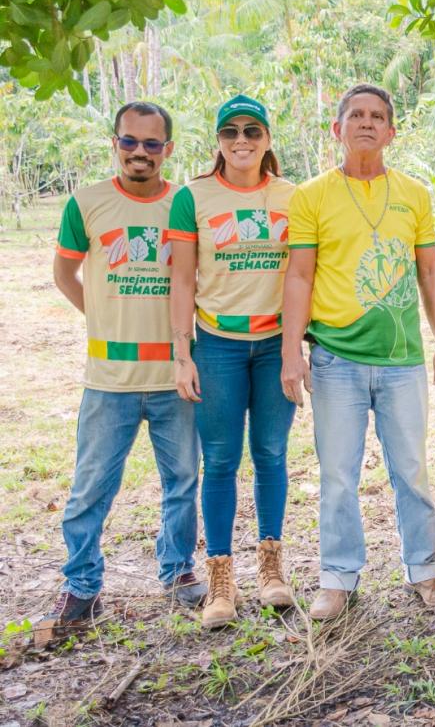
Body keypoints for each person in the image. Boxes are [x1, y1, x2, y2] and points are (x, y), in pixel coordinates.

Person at [281, 83, 435, 620]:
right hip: (336, 357)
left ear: (391, 132)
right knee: (338, 475)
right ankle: (337, 579)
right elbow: (299, 275)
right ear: (337, 129)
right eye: (355, 115)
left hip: (401, 359)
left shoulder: (414, 194)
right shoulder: (311, 195)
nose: (366, 123)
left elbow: (430, 269)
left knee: (412, 469)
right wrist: (292, 352)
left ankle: (425, 570)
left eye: (377, 116)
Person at [40, 102, 204, 644]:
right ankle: (82, 586)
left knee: (183, 483)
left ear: (167, 150)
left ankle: (178, 571)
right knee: (90, 488)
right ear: (115, 143)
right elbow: (64, 273)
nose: (140, 152)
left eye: (152, 144)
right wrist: (101, 316)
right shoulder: (86, 203)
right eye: (130, 141)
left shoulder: (185, 204)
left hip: (174, 377)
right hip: (109, 380)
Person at [168, 94, 297, 629]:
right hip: (217, 344)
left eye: (252, 131)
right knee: (220, 460)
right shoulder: (192, 197)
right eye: (230, 132)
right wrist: (182, 354)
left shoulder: (293, 197)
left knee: (271, 453)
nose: (241, 140)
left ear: (267, 139)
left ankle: (271, 568)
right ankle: (221, 578)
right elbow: (181, 280)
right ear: (218, 141)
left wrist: (297, 349)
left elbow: (305, 275)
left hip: (275, 345)